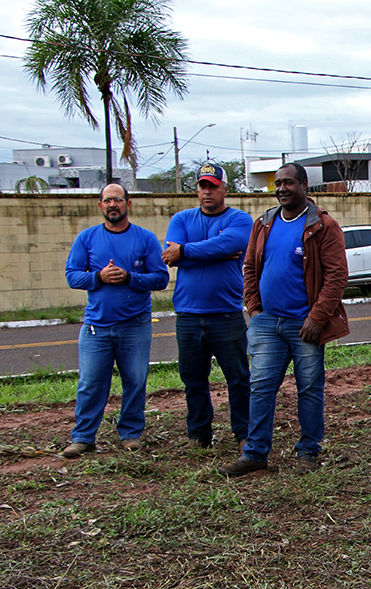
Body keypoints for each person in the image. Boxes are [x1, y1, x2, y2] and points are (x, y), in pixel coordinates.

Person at [219, 163, 349, 477]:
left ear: (304, 185)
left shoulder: (322, 225)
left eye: (288, 183)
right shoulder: (263, 223)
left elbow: (336, 276)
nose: (281, 189)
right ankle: (255, 453)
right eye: (277, 183)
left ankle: (307, 453)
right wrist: (254, 308)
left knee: (309, 389)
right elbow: (249, 267)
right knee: (261, 388)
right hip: (266, 323)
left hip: (305, 325)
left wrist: (316, 318)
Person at [62, 183, 170, 458]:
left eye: (118, 200)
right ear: (100, 206)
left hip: (135, 324)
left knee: (135, 380)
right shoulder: (87, 238)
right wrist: (98, 277)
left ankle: (131, 434)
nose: (113, 205)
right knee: (91, 383)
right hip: (96, 325)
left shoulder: (144, 239)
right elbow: (72, 275)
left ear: (128, 204)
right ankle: (84, 437)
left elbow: (160, 278)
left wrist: (129, 278)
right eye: (107, 200)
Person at [161, 162, 253, 449]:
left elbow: (231, 244)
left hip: (226, 314)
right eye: (202, 186)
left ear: (225, 188)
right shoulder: (181, 219)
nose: (207, 191)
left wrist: (186, 250)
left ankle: (243, 434)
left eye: (213, 186)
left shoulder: (240, 219)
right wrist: (216, 252)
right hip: (188, 315)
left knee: (238, 379)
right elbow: (170, 256)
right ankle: (199, 435)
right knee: (193, 380)